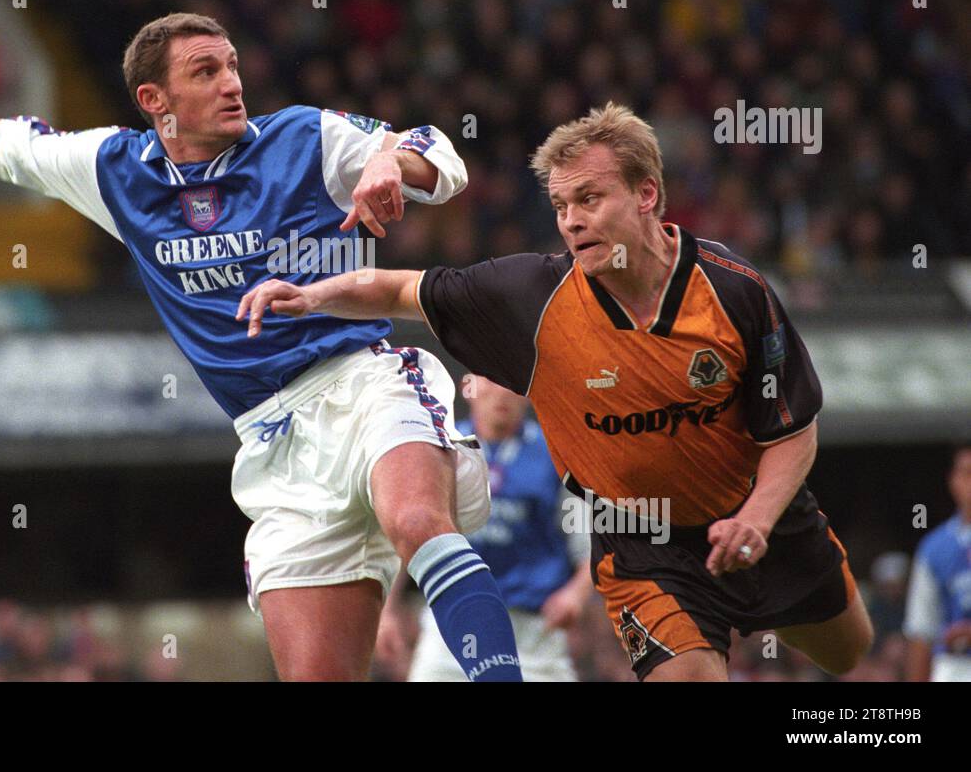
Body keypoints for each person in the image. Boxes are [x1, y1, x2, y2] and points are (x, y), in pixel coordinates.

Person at [0, 12, 521, 681]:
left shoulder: (303, 138)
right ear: (155, 99)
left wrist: (392, 163)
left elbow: (440, 151)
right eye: (206, 71)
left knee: (414, 518)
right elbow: (0, 142)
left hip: (364, 382)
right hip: (274, 443)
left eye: (233, 65)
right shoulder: (118, 171)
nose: (232, 82)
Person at [238, 101, 875, 681]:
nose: (571, 222)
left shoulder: (735, 290)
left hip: (758, 518)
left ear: (647, 193)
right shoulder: (532, 299)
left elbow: (791, 430)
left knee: (850, 652)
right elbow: (398, 289)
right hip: (642, 547)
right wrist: (309, 296)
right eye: (561, 207)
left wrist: (757, 522)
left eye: (590, 200)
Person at [379, 374, 592, 681]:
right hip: (452, 625)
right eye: (489, 382)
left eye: (510, 383)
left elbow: (590, 545)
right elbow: (408, 534)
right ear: (468, 388)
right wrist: (387, 611)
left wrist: (576, 594)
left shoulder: (557, 457)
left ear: (528, 393)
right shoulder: (440, 449)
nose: (501, 394)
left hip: (533, 634)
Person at [904, 446, 971, 682]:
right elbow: (921, 629)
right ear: (953, 480)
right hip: (953, 666)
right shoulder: (934, 547)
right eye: (967, 473)